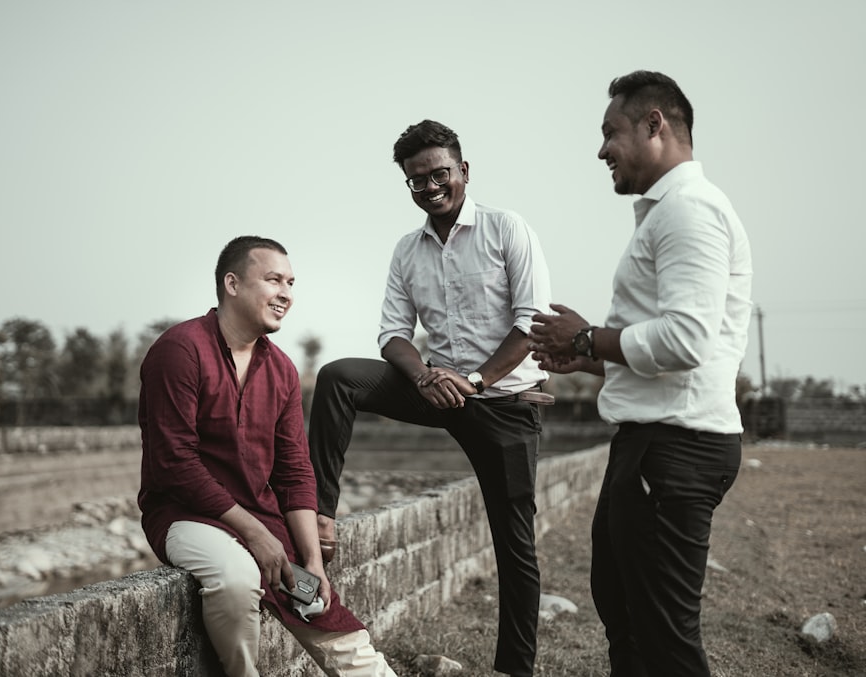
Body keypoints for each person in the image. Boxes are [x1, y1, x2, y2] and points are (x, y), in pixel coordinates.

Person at [528, 71, 753, 676]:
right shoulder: (667, 213)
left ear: (655, 124)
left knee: (664, 642)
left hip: (676, 448)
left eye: (611, 132)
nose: (601, 149)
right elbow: (671, 349)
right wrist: (596, 357)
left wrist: (586, 336)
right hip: (654, 441)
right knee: (625, 614)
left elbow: (687, 340)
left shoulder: (690, 213)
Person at [309, 120, 553, 676]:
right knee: (338, 377)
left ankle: (515, 669)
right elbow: (393, 332)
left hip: (503, 402)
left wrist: (478, 382)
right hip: (436, 390)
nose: (430, 187)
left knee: (515, 547)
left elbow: (531, 321)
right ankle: (319, 513)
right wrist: (423, 377)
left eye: (439, 174)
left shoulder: (505, 228)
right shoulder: (407, 250)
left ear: (463, 171)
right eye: (416, 180)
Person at [137, 236, 397, 677]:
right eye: (273, 279)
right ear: (232, 284)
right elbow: (174, 464)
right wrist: (255, 534)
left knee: (320, 607)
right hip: (185, 515)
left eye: (291, 282)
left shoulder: (281, 369)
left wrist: (312, 559)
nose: (286, 294)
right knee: (237, 579)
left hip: (263, 516)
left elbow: (295, 472)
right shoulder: (180, 350)